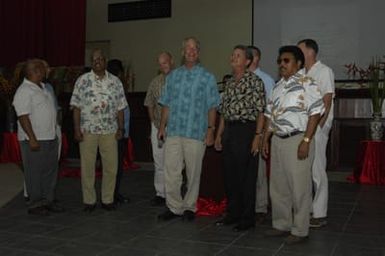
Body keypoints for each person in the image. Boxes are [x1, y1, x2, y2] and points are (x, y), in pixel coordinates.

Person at [262, 46, 323, 245]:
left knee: (300, 188)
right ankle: (281, 225)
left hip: (298, 139)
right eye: (279, 61)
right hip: (278, 140)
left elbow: (316, 112)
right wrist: (265, 139)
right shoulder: (278, 86)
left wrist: (306, 140)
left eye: (286, 61)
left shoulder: (308, 83)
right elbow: (270, 115)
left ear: (298, 63)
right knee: (278, 187)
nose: (281, 64)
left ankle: (300, 230)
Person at [157, 37, 220, 221]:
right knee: (171, 171)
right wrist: (162, 127)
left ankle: (189, 207)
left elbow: (212, 106)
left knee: (193, 173)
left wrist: (211, 130)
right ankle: (174, 206)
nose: (191, 51)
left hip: (195, 132)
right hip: (174, 131)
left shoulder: (207, 77)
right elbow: (166, 104)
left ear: (198, 53)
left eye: (194, 49)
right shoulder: (173, 76)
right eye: (187, 48)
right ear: (182, 52)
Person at [214, 45, 265, 231]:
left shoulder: (255, 81)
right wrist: (219, 135)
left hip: (246, 130)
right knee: (230, 176)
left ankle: (247, 218)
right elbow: (224, 113)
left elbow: (261, 111)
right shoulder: (228, 83)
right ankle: (233, 213)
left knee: (246, 177)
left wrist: (257, 136)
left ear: (248, 61)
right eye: (232, 54)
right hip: (229, 131)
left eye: (238, 55)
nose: (233, 57)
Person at [70, 49, 128, 212]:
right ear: (91, 61)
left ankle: (107, 199)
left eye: (100, 59)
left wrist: (121, 127)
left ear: (105, 61)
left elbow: (121, 107)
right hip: (87, 130)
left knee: (111, 166)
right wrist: (76, 129)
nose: (97, 61)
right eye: (94, 59)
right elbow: (76, 107)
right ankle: (89, 201)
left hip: (110, 130)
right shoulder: (82, 81)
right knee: (87, 166)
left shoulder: (115, 82)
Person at [13, 59, 60, 216]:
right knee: (34, 172)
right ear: (34, 71)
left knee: (49, 171)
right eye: (42, 69)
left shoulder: (42, 88)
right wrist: (32, 138)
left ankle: (48, 201)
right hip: (34, 139)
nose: (45, 71)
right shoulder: (24, 90)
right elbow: (23, 116)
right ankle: (35, 204)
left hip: (50, 136)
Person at [297, 39, 335, 228]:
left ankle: (320, 213)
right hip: (303, 127)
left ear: (310, 52)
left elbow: (326, 100)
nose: (297, 53)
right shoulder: (302, 73)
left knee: (317, 169)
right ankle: (308, 209)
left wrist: (318, 127)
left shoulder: (324, 71)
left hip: (317, 127)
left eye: (300, 50)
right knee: (305, 170)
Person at [247, 45, 276, 224]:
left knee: (258, 170)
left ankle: (260, 206)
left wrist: (264, 134)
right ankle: (246, 204)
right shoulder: (240, 78)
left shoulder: (266, 80)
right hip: (243, 129)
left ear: (255, 58)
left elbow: (270, 109)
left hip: (260, 127)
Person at [144, 52, 174, 206]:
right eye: (161, 63)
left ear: (172, 61)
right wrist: (152, 122)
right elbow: (149, 102)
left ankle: (172, 194)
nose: (164, 66)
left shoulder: (179, 80)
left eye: (166, 62)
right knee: (159, 161)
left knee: (174, 163)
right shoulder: (155, 82)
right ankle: (160, 193)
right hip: (157, 127)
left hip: (175, 128)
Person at [107, 59, 131, 205]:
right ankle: (111, 195)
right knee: (114, 167)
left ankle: (113, 193)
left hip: (121, 131)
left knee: (115, 167)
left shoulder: (117, 84)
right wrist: (121, 129)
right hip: (117, 132)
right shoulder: (114, 85)